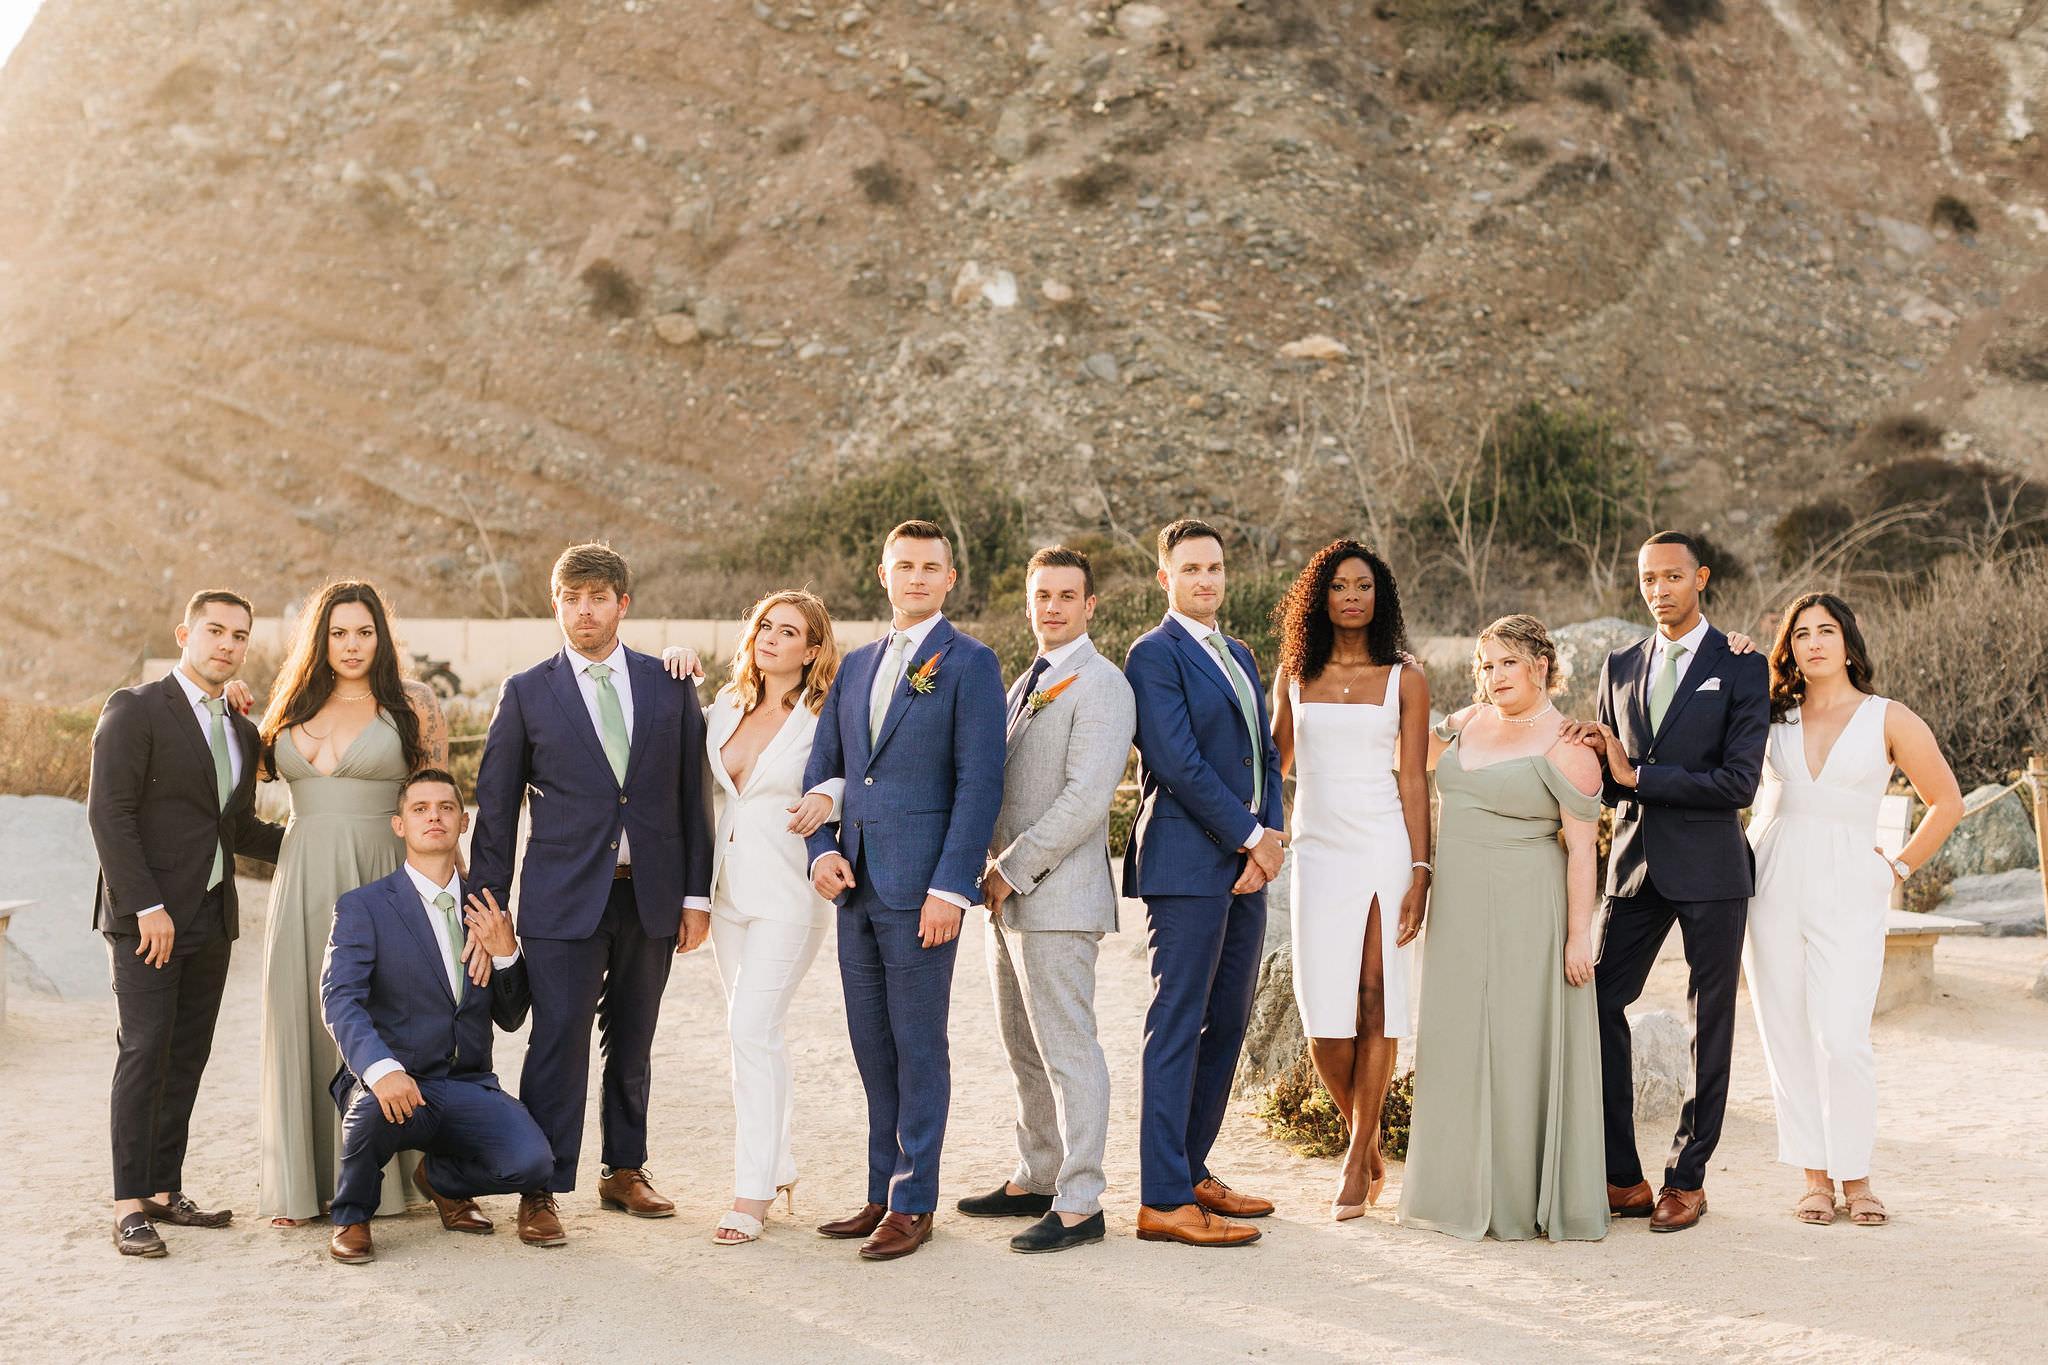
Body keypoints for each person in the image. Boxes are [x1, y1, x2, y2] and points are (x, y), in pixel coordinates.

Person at [469, 543, 715, 1247]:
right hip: (561, 898)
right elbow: (496, 807)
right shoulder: (526, 691)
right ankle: (538, 1186)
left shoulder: (669, 684)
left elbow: (691, 796)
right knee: (558, 1040)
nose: (585, 611)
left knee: (634, 1037)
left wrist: (696, 896)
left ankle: (624, 1169)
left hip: (650, 895)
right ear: (556, 605)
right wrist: (487, 908)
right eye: (572, 599)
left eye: (598, 598)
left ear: (622, 604)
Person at [800, 519, 1006, 1261]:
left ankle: (914, 1201)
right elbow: (826, 771)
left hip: (924, 892)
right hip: (854, 887)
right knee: (871, 1045)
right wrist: (821, 849)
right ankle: (880, 1189)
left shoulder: (972, 663)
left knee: (919, 1046)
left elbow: (980, 784)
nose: (917, 577)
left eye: (930, 567)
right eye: (904, 566)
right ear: (882, 574)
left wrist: (952, 887)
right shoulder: (855, 665)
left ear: (950, 578)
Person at [1562, 530, 1770, 1233]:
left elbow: (1738, 782)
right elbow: (1609, 779)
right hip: (1633, 865)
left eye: (1672, 576)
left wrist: (1638, 774)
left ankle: (1687, 1178)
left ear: (1701, 578)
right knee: (1596, 1001)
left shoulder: (1741, 664)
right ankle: (1623, 1176)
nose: (1658, 589)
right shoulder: (1620, 664)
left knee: (1708, 1024)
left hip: (1711, 867)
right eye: (1648, 578)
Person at [1745, 592, 1962, 1227]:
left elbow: (1946, 802)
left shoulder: (1888, 717)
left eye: (1826, 631)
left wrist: (1896, 868)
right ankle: (1815, 1178)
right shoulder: (1769, 715)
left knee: (1843, 1037)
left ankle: (1857, 1176)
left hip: (1850, 885)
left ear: (1848, 642)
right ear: (1789, 648)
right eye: (1801, 633)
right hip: (1771, 879)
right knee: (1785, 1032)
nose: (1813, 642)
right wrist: (1735, 654)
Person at [88, 589, 286, 1257]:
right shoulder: (135, 708)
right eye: (215, 630)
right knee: (145, 1049)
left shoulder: (241, 731)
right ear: (184, 634)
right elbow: (109, 814)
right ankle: (127, 1205)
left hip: (211, 917)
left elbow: (237, 828)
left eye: (239, 635)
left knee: (187, 1054)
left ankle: (162, 1188)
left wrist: (316, 842)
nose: (227, 644)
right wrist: (146, 906)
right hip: (146, 919)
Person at [1397, 616, 1609, 1241]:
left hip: (1530, 908)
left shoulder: (1569, 746)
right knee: (1456, 1039)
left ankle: (1518, 1196)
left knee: (1520, 1042)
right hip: (1458, 907)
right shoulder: (1463, 723)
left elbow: (1582, 850)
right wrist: (1396, 679)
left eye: (1508, 662)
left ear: (1541, 665)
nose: (1495, 676)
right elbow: (1404, 756)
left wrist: (1579, 936)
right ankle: (1453, 1190)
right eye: (1486, 665)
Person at [252, 581, 451, 1228]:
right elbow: (240, 777)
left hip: (381, 873)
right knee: (301, 1015)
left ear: (381, 637)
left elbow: (439, 801)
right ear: (320, 638)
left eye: (364, 631)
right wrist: (229, 705)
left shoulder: (412, 703)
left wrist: (456, 900)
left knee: (386, 1011)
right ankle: (302, 1183)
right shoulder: (289, 704)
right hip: (301, 880)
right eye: (338, 632)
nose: (352, 644)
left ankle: (397, 1181)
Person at [958, 546, 1136, 1254]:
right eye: (1042, 595)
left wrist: (1011, 867)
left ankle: (1081, 1200)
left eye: (1067, 595)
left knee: (1068, 1049)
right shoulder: (1024, 682)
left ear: (1090, 605)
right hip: (1005, 897)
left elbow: (1087, 800)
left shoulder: (1103, 684)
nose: (1053, 606)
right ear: (1029, 602)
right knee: (1022, 1048)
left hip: (1057, 897)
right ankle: (1038, 1173)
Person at [1123, 519, 1285, 1248]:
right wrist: (1251, 835)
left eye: (1214, 567)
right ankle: (1161, 1198)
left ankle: (1190, 1170)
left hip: (1247, 865)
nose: (1206, 580)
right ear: (1166, 579)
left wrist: (1268, 838)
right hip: (1186, 862)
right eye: (1190, 569)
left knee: (1229, 1018)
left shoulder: (1240, 653)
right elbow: (1178, 762)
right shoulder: (1152, 654)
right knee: (1178, 1021)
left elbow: (1265, 754)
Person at [321, 769, 555, 1263]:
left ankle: (440, 1179)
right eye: (420, 809)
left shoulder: (485, 910)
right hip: (397, 1081)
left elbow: (511, 1018)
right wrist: (381, 1070)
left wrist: (507, 955)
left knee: (533, 1164)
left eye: (446, 808)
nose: (434, 817)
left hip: (468, 1083)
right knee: (369, 1113)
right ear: (399, 825)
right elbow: (340, 999)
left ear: (463, 822)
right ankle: (352, 1215)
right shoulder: (364, 907)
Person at [1270, 540, 1430, 1220]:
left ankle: (1358, 1155)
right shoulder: (1293, 673)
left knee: (1376, 998)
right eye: (1339, 586)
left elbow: (1414, 778)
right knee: (1324, 1024)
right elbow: (1272, 767)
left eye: (1364, 585)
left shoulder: (1405, 678)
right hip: (1317, 850)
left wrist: (1421, 869)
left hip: (1383, 845)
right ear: (1320, 597)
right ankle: (1366, 1144)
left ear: (1380, 595)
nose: (1353, 596)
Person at [686, 590, 841, 1245]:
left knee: (749, 1028)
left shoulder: (825, 712)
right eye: (764, 627)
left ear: (812, 649)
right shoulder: (726, 705)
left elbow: (861, 770)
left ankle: (751, 1193)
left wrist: (829, 795)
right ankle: (776, 1166)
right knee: (758, 1034)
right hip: (729, 893)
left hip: (789, 893)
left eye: (789, 631)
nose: (771, 638)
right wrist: (676, 662)